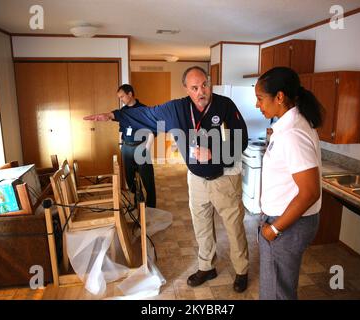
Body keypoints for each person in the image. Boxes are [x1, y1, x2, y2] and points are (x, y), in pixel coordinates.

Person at [84, 66, 250, 293]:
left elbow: (241, 139)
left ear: (209, 83)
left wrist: (215, 152)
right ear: (186, 89)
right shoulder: (176, 109)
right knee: (201, 226)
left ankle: (241, 270)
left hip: (224, 179)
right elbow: (146, 114)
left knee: (234, 227)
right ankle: (206, 266)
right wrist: (114, 115)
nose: (201, 91)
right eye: (194, 87)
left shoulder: (224, 105)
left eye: (204, 85)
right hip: (197, 180)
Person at [255, 66, 323, 300]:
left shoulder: (292, 133)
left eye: (260, 98)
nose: (258, 105)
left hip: (286, 224)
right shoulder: (288, 126)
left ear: (280, 97)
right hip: (285, 221)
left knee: (276, 292)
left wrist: (274, 229)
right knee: (278, 285)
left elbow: (310, 192)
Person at [85, 84, 156, 208]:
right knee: (129, 177)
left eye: (122, 96)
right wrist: (121, 145)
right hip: (126, 147)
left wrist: (147, 147)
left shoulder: (144, 110)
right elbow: (120, 129)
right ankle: (137, 200)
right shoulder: (122, 112)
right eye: (119, 97)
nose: (121, 99)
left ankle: (151, 205)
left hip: (141, 147)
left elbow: (153, 130)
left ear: (130, 94)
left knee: (147, 177)